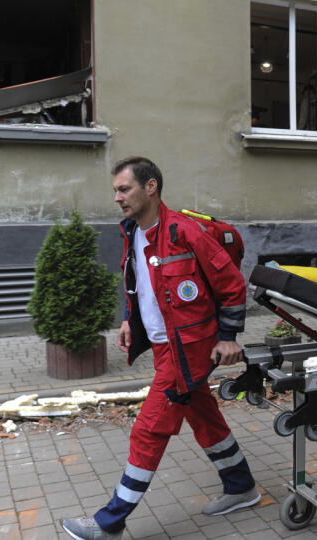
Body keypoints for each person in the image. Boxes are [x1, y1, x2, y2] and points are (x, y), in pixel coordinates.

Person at [61, 157, 259, 539]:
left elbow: (232, 285)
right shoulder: (133, 230)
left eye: (124, 189)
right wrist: (127, 319)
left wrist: (229, 336)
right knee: (204, 416)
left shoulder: (186, 232)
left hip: (190, 347)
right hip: (164, 345)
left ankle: (110, 521)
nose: (117, 197)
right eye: (116, 190)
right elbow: (136, 282)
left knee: (149, 429)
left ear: (150, 187)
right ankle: (241, 486)